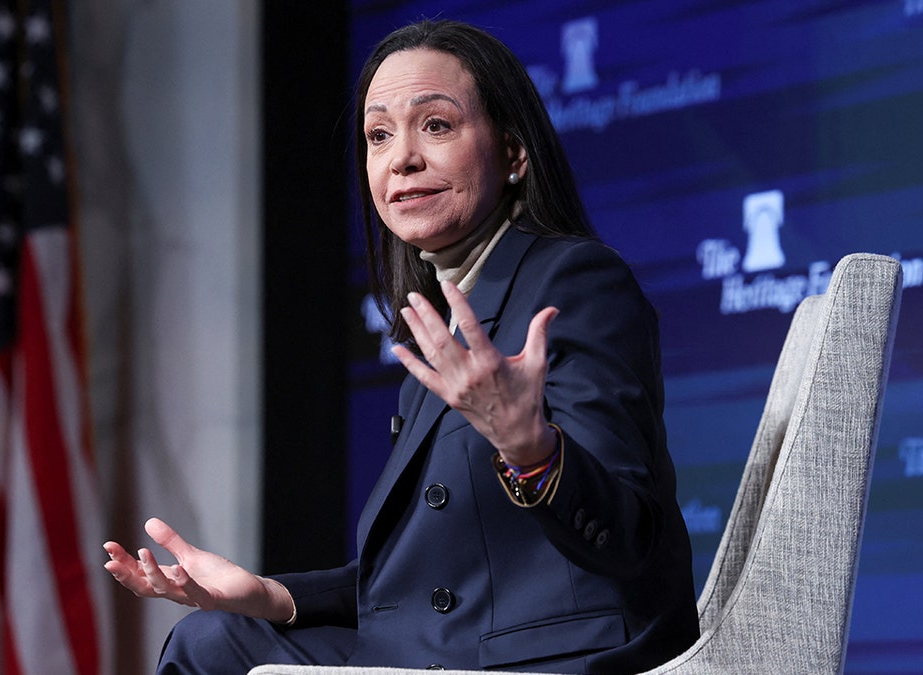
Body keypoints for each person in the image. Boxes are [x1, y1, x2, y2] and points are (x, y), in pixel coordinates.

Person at [104, 19, 700, 674]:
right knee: (212, 640)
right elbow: (422, 580)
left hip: (546, 657)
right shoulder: (442, 319)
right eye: (379, 135)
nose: (401, 159)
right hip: (445, 646)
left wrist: (531, 448)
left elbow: (629, 533)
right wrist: (270, 595)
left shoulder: (576, 281)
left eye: (436, 125)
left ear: (513, 152)